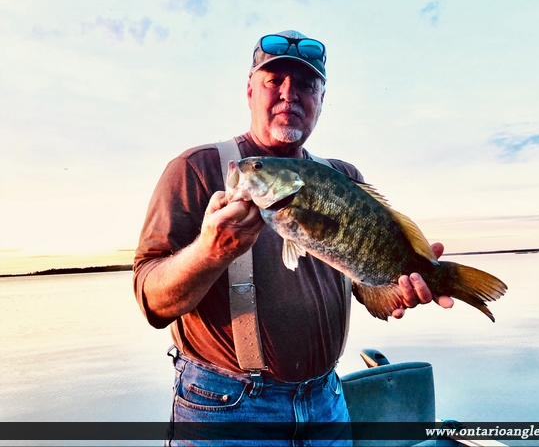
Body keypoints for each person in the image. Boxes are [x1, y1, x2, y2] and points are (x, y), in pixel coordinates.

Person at [133, 30, 453, 446]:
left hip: (327, 403)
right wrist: (209, 253)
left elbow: (362, 278)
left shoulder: (344, 176)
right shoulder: (195, 168)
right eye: (274, 81)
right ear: (249, 90)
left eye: (306, 84)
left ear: (321, 99)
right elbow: (151, 301)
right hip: (228, 412)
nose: (290, 94)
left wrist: (399, 287)